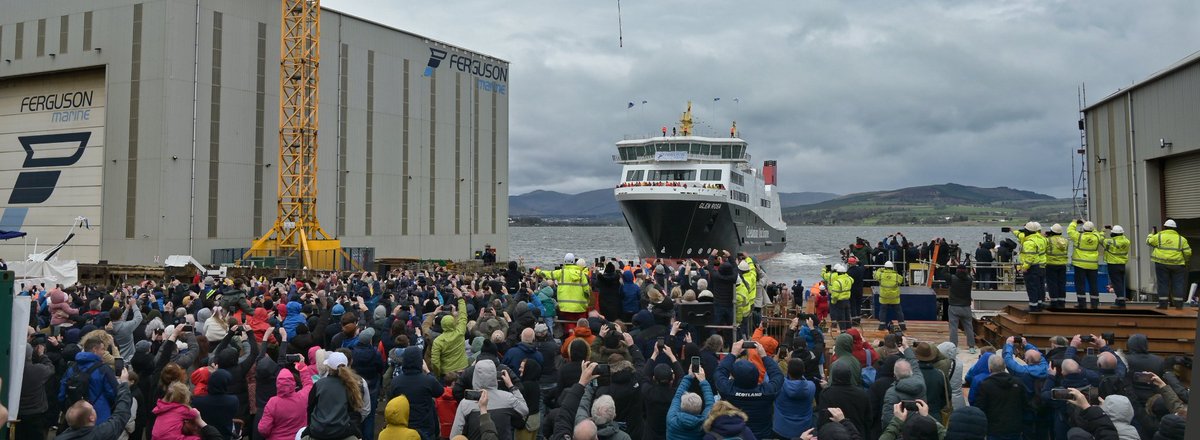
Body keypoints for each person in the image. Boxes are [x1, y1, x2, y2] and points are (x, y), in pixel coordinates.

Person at [713, 340, 784, 439]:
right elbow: (777, 375)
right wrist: (764, 356)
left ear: (734, 377)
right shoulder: (767, 392)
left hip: (737, 436)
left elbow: (720, 372)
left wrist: (733, 354)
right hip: (762, 436)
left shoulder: (727, 390)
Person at [56, 365, 134, 440]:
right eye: (92, 409)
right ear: (92, 418)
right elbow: (121, 416)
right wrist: (124, 385)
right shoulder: (101, 434)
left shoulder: (60, 437)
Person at [59, 337, 119, 424]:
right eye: (102, 349)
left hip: (76, 417)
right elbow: (114, 393)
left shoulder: (72, 368)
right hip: (99, 416)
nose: (104, 352)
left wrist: (67, 409)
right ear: (95, 349)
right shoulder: (103, 369)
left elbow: (62, 393)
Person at [306, 352, 365, 440]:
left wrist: (311, 426)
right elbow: (354, 411)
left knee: (302, 434)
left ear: (329, 367)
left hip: (318, 431)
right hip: (342, 431)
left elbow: (310, 407)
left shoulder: (319, 384)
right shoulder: (352, 386)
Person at [974, 354, 1024, 440]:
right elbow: (1024, 403)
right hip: (1015, 427)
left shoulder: (985, 385)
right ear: (1004, 366)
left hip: (994, 428)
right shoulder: (1018, 382)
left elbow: (980, 407)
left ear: (990, 368)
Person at [1147, 219, 1192, 309]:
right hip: (1178, 265)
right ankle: (1179, 305)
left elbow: (1148, 241)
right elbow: (1188, 253)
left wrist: (1151, 233)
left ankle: (1163, 305)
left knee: (1163, 283)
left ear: (1165, 227)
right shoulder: (1181, 239)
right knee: (1178, 284)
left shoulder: (1158, 236)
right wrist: (1185, 261)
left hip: (1161, 264)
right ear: (1175, 228)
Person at [537, 254, 592, 325]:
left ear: (564, 262)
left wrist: (537, 271)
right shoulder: (581, 274)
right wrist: (586, 302)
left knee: (568, 326)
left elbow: (547, 274)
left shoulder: (561, 272)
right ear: (574, 262)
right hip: (580, 307)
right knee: (580, 325)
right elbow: (586, 290)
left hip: (565, 307)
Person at [259, 367, 312, 440]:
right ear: (293, 382)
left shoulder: (273, 403)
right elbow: (309, 385)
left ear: (277, 384)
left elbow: (263, 429)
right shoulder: (303, 397)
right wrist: (302, 367)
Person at [18, 343, 55, 440]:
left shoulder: (11, 370)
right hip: (36, 413)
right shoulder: (38, 370)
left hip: (17, 412)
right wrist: (42, 355)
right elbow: (50, 368)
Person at [772, 358, 816, 439]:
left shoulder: (779, 385)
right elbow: (803, 382)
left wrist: (774, 362)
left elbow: (769, 377)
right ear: (803, 371)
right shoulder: (811, 386)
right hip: (804, 431)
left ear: (787, 371)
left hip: (781, 429)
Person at [667, 367, 713, 440]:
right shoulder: (703, 424)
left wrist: (689, 377)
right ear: (700, 408)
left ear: (681, 406)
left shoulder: (672, 419)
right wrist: (703, 381)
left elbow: (677, 396)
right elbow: (710, 404)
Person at [1069, 220, 1105, 308]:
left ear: (1083, 229)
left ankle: (1082, 303)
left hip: (1080, 264)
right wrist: (1090, 225)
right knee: (1093, 284)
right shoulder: (1096, 236)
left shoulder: (1079, 236)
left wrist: (1074, 222)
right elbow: (1099, 234)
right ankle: (1094, 303)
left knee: (1080, 284)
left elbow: (1070, 231)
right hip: (1092, 265)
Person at [431, 292, 469, 377]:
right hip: (462, 369)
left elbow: (435, 361)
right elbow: (463, 315)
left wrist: (438, 374)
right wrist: (460, 298)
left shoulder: (438, 341)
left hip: (447, 373)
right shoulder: (460, 331)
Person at [1014, 221, 1047, 312]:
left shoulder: (1028, 242)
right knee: (1039, 286)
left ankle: (1033, 306)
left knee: (1032, 287)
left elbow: (1030, 257)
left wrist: (1025, 267)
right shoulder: (1041, 239)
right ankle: (1040, 304)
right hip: (1040, 265)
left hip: (1032, 267)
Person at [946, 265, 977, 354]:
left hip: (954, 307)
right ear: (965, 271)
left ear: (957, 270)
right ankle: (971, 347)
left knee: (953, 328)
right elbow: (971, 274)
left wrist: (948, 264)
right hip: (966, 307)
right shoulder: (969, 280)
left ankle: (954, 347)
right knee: (969, 328)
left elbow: (943, 273)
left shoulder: (952, 279)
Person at [1103, 225, 1132, 308]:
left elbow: (1101, 239)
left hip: (1113, 265)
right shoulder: (1126, 241)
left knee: (1116, 284)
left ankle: (1120, 302)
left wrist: (1103, 230)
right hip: (1122, 264)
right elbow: (1121, 236)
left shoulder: (1110, 242)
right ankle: (1120, 299)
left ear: (1113, 235)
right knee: (1120, 283)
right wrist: (1113, 229)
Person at [873, 261, 906, 331]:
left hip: (884, 298)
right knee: (898, 311)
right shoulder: (897, 276)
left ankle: (882, 325)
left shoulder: (881, 275)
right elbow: (901, 280)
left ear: (885, 267)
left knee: (883, 311)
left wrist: (880, 269)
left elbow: (875, 275)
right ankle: (902, 325)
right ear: (892, 268)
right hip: (894, 298)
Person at [1044, 223, 1070, 308]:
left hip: (1051, 264)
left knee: (1052, 284)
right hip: (1062, 265)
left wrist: (1045, 236)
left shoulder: (1048, 240)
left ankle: (1054, 303)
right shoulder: (1065, 241)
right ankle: (1062, 302)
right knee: (1061, 284)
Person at [822, 264, 853, 331]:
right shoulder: (849, 279)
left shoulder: (836, 281)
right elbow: (851, 279)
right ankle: (849, 331)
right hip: (847, 300)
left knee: (840, 317)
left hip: (838, 300)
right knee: (847, 316)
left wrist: (824, 269)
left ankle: (843, 332)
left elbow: (835, 295)